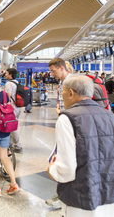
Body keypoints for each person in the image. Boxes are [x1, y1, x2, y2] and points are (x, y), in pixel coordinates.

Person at [47, 75, 114, 217]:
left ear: (71, 93)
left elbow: (67, 169)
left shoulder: (67, 118)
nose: (62, 96)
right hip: (109, 200)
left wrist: (52, 170)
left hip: (80, 200)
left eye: (63, 92)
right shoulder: (111, 117)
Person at [46, 58, 72, 209]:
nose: (51, 73)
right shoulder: (62, 83)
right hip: (64, 121)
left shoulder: (71, 82)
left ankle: (62, 197)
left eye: (53, 70)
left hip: (70, 125)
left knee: (65, 159)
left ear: (62, 68)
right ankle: (62, 196)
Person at [4, 68, 22, 153]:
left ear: (10, 75)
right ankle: (10, 143)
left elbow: (8, 96)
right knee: (13, 124)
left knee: (12, 126)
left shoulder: (8, 84)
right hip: (18, 106)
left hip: (12, 107)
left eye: (6, 73)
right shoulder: (17, 82)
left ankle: (17, 145)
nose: (5, 75)